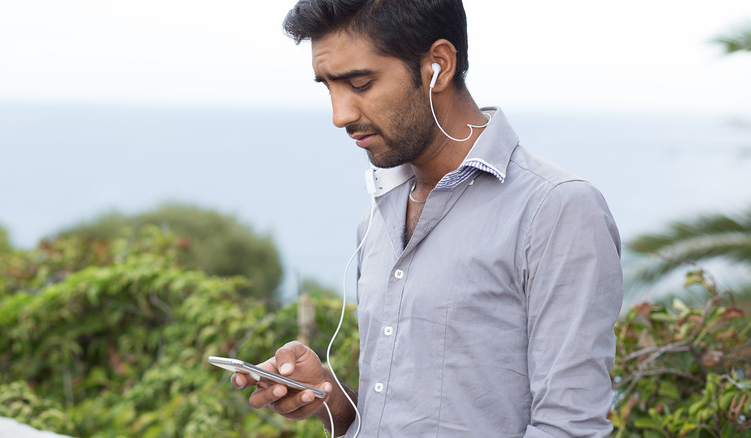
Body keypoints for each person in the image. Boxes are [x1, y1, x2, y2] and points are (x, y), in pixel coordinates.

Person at [231, 0, 624, 436]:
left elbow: (569, 428)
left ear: (439, 65)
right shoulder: (377, 219)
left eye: (360, 84)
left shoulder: (556, 210)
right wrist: (331, 401)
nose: (340, 115)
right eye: (328, 88)